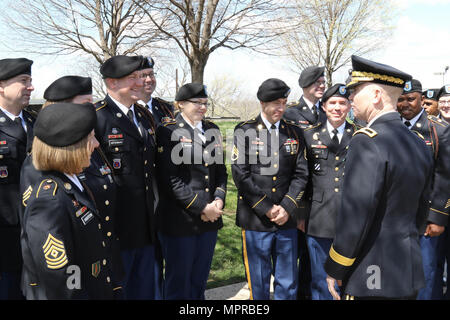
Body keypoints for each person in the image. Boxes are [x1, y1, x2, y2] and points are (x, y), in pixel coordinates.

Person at [325, 55, 433, 300]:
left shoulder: (367, 141)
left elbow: (357, 214)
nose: (350, 98)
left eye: (355, 91)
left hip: (372, 271)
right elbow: (421, 210)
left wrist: (336, 267)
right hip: (406, 267)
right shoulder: (417, 141)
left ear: (375, 95)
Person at [20, 75, 124, 296]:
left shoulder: (71, 180)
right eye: (91, 139)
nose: (97, 145)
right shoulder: (49, 200)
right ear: (72, 148)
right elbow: (60, 280)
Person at [232, 78, 309, 300]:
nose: (281, 108)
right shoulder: (245, 130)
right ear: (262, 103)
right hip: (256, 219)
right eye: (276, 103)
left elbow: (301, 174)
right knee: (258, 281)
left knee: (288, 281)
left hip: (286, 219)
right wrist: (266, 207)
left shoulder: (294, 133)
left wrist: (286, 207)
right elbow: (240, 174)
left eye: (284, 102)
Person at [155, 83, 227, 300]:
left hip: (210, 218)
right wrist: (202, 207)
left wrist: (218, 200)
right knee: (178, 282)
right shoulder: (168, 130)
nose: (202, 108)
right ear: (180, 104)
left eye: (205, 103)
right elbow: (170, 179)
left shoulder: (212, 129)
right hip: (181, 220)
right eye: (197, 103)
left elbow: (220, 172)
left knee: (199, 280)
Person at [94, 55, 157, 299]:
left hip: (146, 228)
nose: (141, 83)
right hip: (116, 232)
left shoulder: (143, 116)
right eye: (132, 78)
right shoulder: (97, 117)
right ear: (112, 83)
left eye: (140, 77)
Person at [301, 84, 357, 300]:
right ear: (323, 106)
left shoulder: (360, 133)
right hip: (318, 217)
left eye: (342, 103)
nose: (337, 108)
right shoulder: (309, 136)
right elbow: (302, 178)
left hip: (352, 218)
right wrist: (300, 214)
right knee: (321, 279)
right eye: (332, 103)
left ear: (349, 106)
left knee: (349, 279)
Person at [397, 79, 448, 299]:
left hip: (425, 220)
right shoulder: (390, 127)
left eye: (411, 99)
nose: (405, 104)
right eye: (400, 99)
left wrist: (437, 217)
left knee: (426, 275)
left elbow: (445, 176)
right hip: (394, 218)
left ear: (422, 100)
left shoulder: (439, 130)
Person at [284, 66, 325, 299]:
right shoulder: (291, 115)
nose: (321, 86)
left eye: (323, 82)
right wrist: (298, 208)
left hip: (321, 197)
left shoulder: (329, 111)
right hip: (297, 196)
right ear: (305, 86)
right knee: (294, 255)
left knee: (314, 256)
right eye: (316, 82)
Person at [0, 57, 35, 299]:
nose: (31, 87)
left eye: (31, 80)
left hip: (37, 231)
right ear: (1, 87)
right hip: (4, 238)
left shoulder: (36, 122)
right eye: (23, 81)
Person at [137, 57, 175, 126]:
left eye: (151, 74)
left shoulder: (167, 108)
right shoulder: (129, 109)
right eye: (143, 75)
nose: (149, 80)